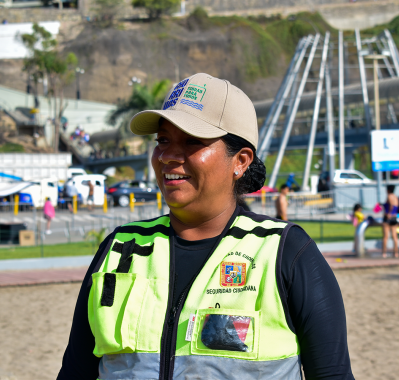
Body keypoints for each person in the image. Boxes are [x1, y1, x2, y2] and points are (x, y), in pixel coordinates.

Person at [57, 73, 354, 380]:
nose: (168, 156)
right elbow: (76, 371)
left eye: (192, 141)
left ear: (240, 161)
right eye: (163, 140)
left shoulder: (286, 253)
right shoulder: (120, 249)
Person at [382, 184, 399, 258]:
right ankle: (396, 253)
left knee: (386, 237)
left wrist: (388, 213)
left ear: (388, 190)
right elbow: (396, 207)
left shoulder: (389, 196)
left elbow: (391, 205)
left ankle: (384, 253)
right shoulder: (396, 197)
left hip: (388, 218)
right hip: (394, 217)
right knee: (395, 237)